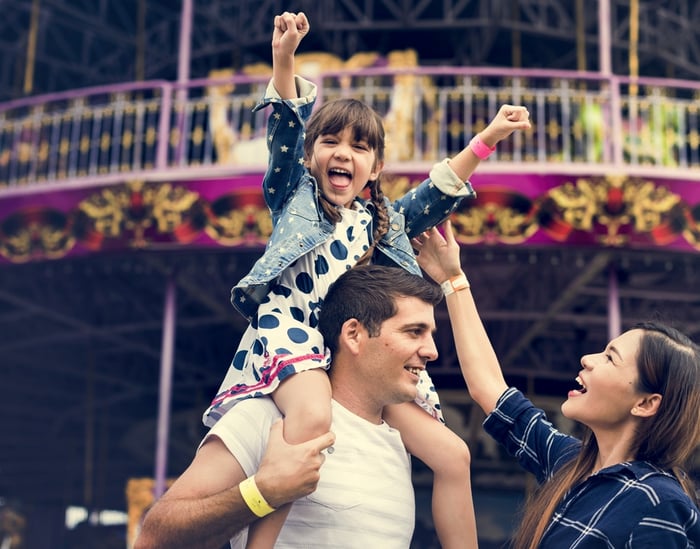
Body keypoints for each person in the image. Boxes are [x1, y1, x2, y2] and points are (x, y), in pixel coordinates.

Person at [201, 10, 530, 548]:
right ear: (311, 158)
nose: (343, 154)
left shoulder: (381, 220)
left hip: (356, 349)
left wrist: (488, 138)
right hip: (296, 335)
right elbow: (285, 123)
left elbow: (440, 188)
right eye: (331, 142)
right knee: (308, 418)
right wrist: (284, 59)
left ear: (375, 167)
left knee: (454, 454)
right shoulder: (296, 200)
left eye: (359, 148)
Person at [413, 219, 700, 548]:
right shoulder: (570, 464)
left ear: (646, 403)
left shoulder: (660, 504)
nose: (587, 359)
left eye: (610, 357)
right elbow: (488, 387)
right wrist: (452, 280)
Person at [134, 264, 459, 549]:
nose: (432, 351)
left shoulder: (399, 441)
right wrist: (261, 492)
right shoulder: (270, 417)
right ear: (354, 335)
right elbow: (153, 538)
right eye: (414, 332)